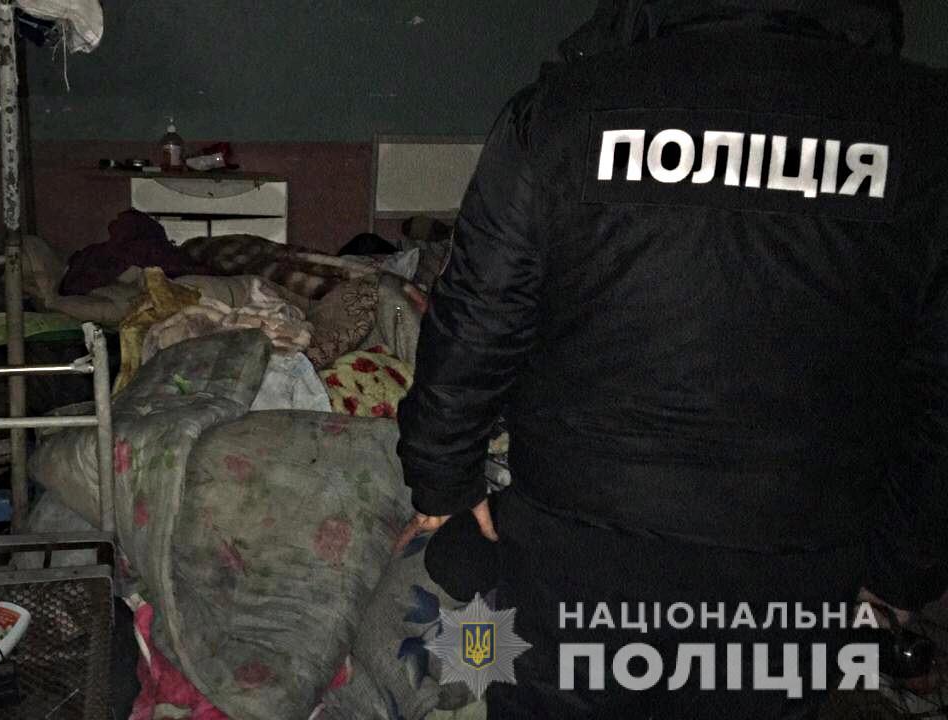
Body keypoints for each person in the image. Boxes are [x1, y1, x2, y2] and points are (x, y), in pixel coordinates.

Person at [394, 1, 948, 718]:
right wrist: (901, 569)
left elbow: (474, 321)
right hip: (796, 560)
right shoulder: (926, 131)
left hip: (580, 551)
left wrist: (443, 481)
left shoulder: (566, 111)